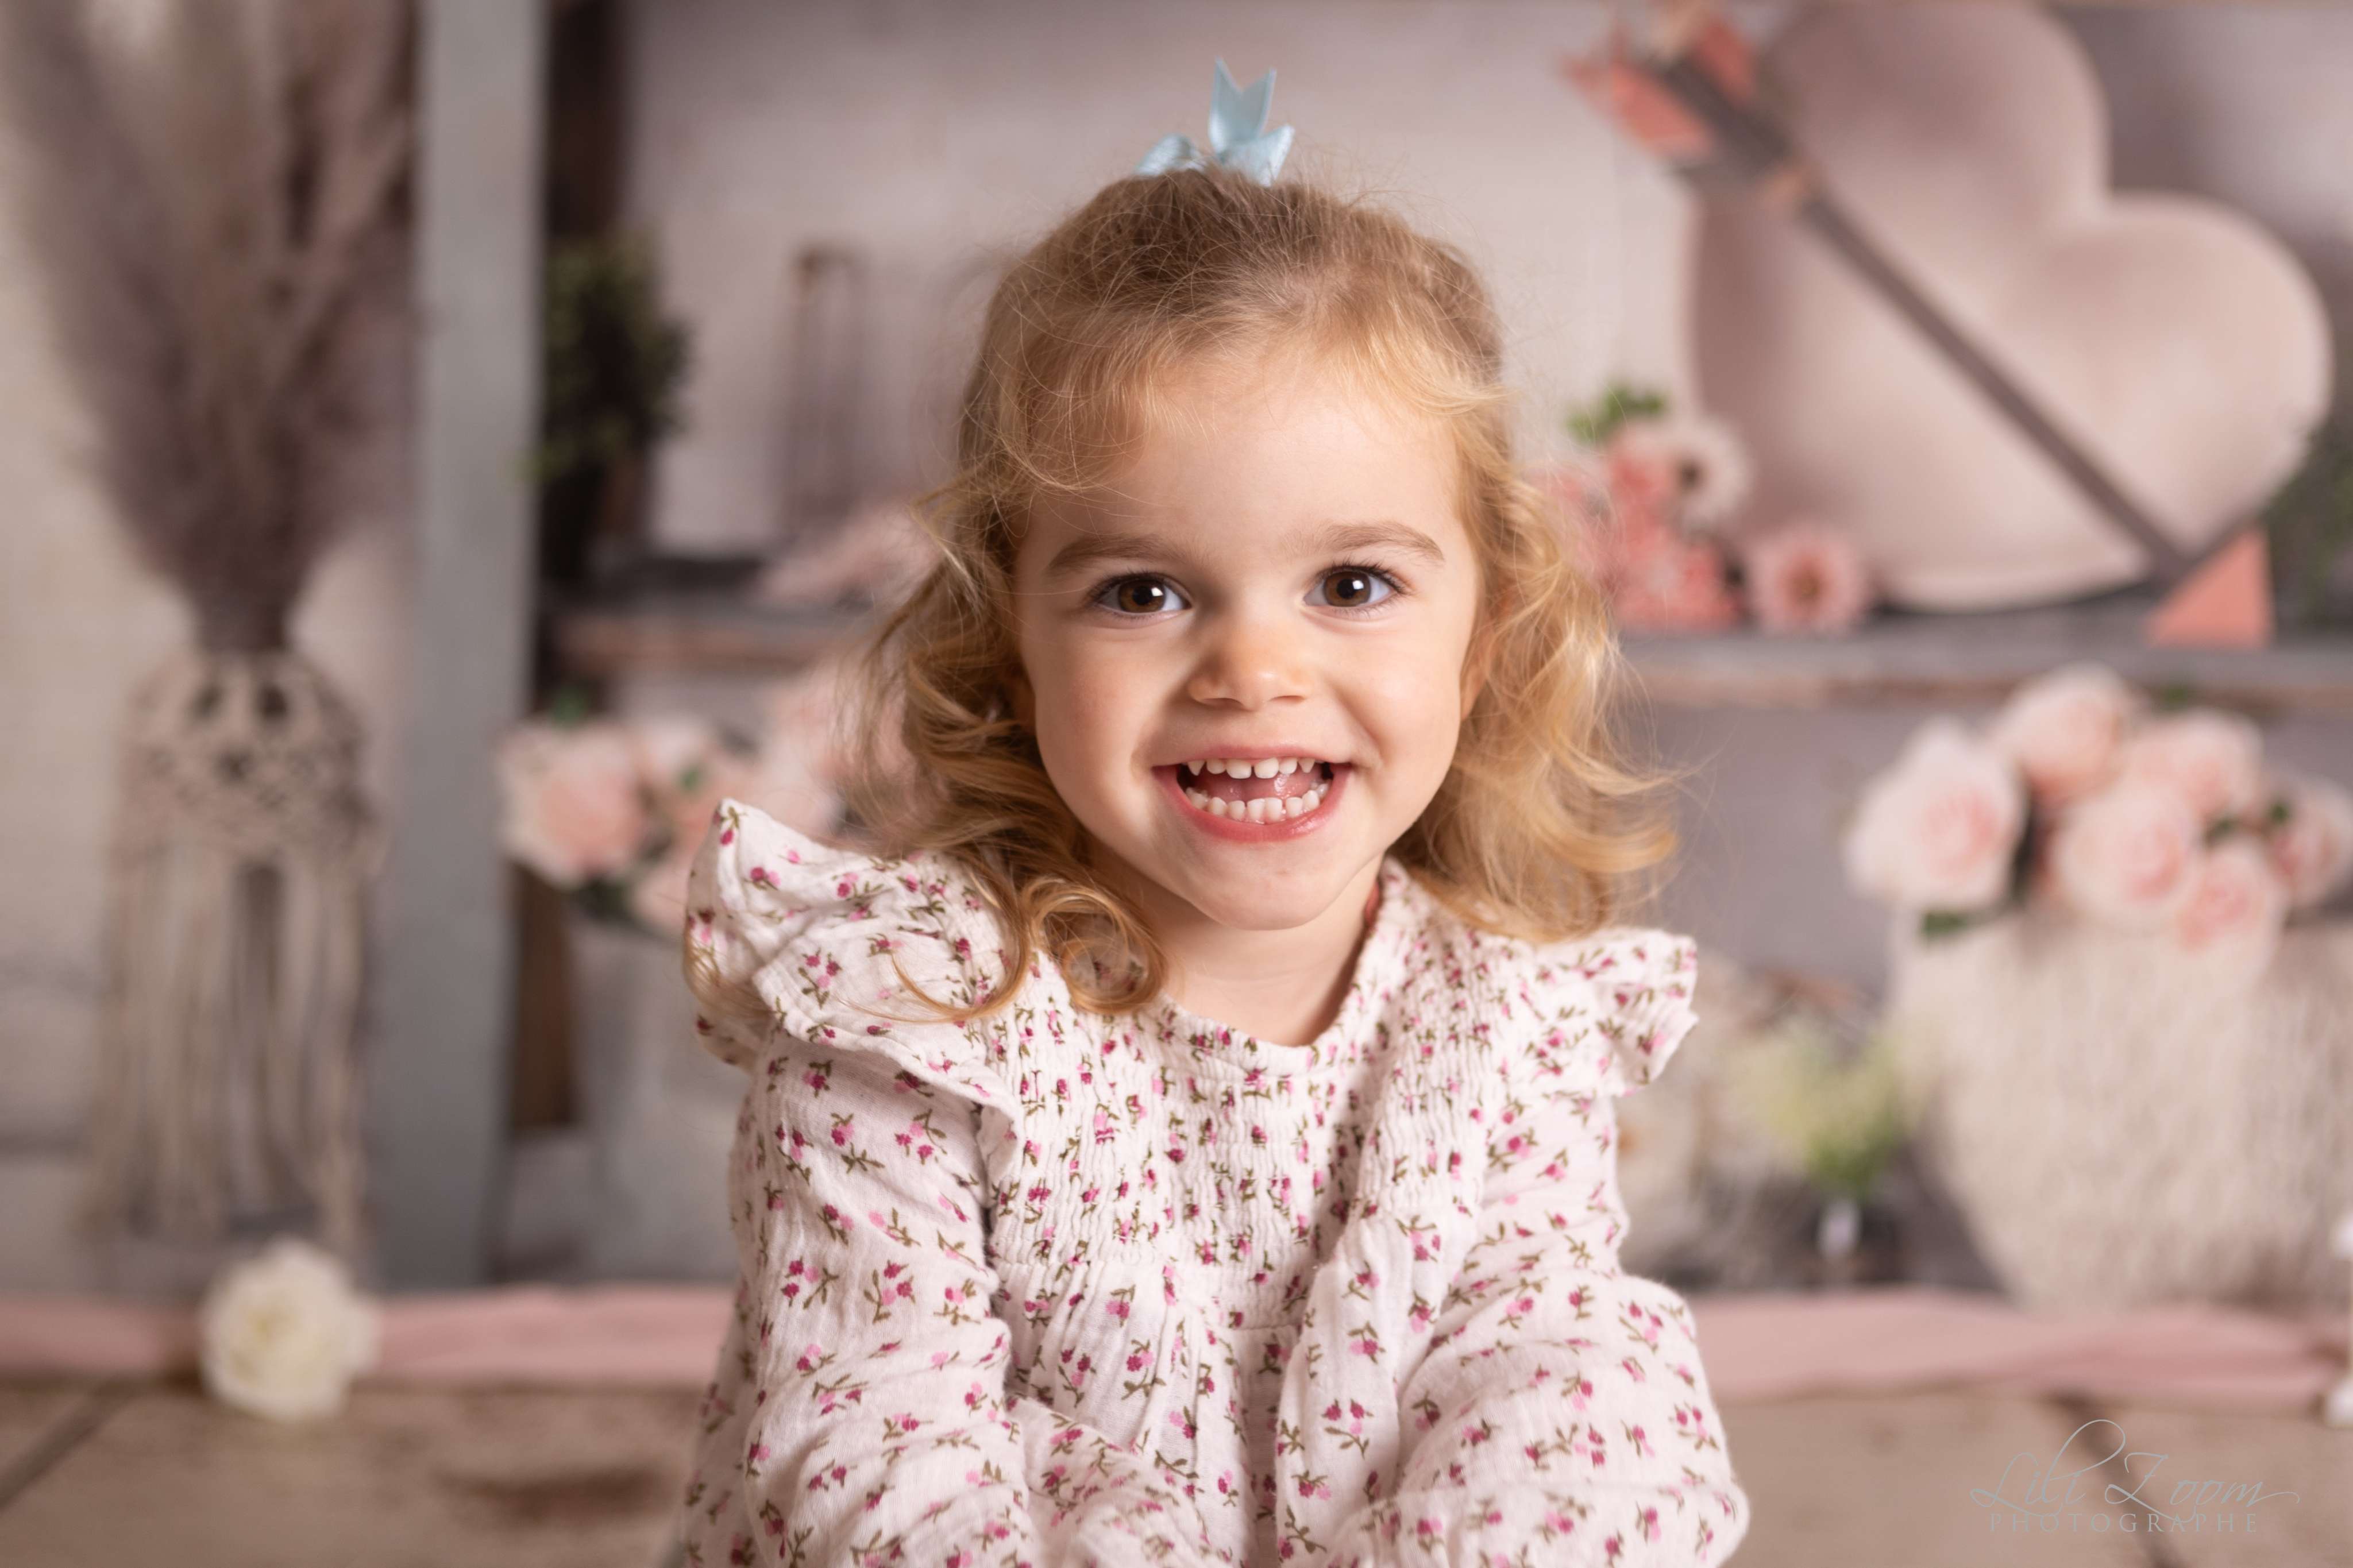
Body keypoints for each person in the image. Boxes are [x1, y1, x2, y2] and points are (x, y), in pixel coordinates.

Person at [671, 61, 1750, 1568]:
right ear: (1012, 647)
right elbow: (874, 1460)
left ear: (1482, 636)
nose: (1255, 667)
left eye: (1352, 584)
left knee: (1610, 1379)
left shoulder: (1501, 1028)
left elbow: (1537, 1388)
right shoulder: (910, 1015)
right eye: (1144, 590)